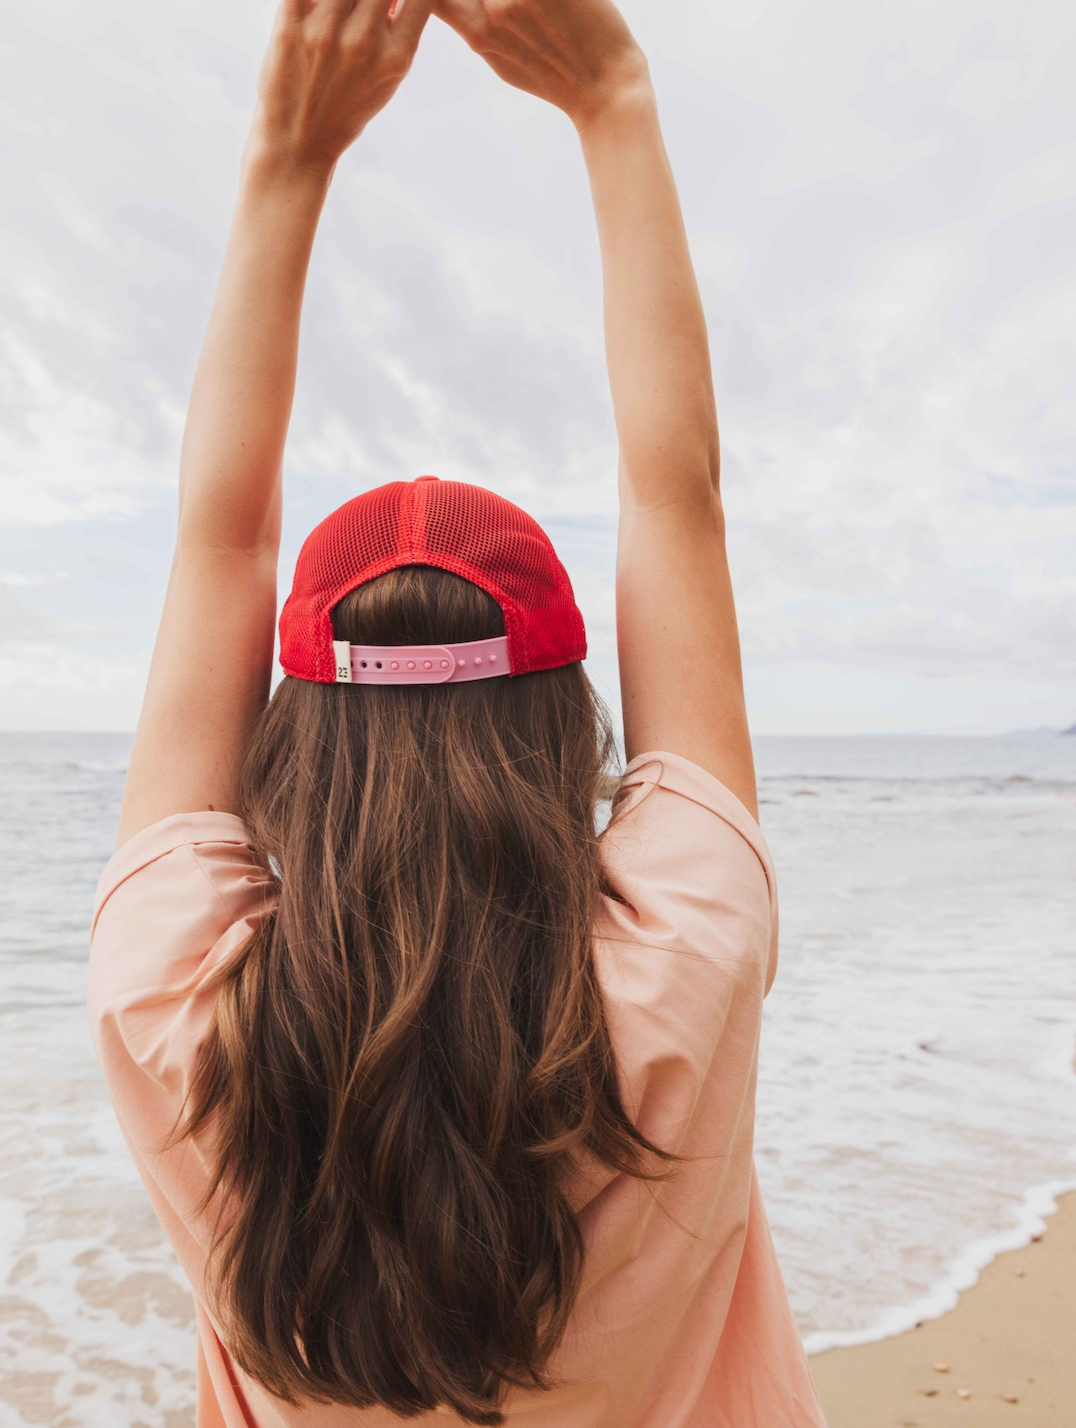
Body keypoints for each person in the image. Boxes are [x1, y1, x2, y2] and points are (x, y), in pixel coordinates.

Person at [88, 0, 827, 1424]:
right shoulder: (684, 956)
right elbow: (677, 502)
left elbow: (219, 543)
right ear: (570, 734)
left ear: (286, 751)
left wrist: (285, 157)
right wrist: (611, 98)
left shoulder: (180, 1015)